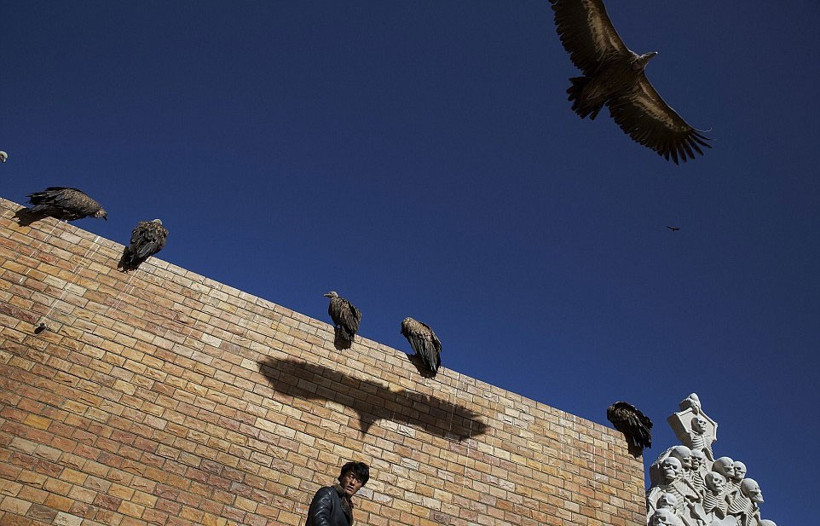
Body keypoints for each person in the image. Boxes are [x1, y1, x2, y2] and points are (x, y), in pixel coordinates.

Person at [306, 461, 370, 526]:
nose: (353, 483)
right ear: (342, 476)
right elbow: (318, 520)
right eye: (351, 476)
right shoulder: (328, 493)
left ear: (360, 486)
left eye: (358, 480)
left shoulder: (348, 506)